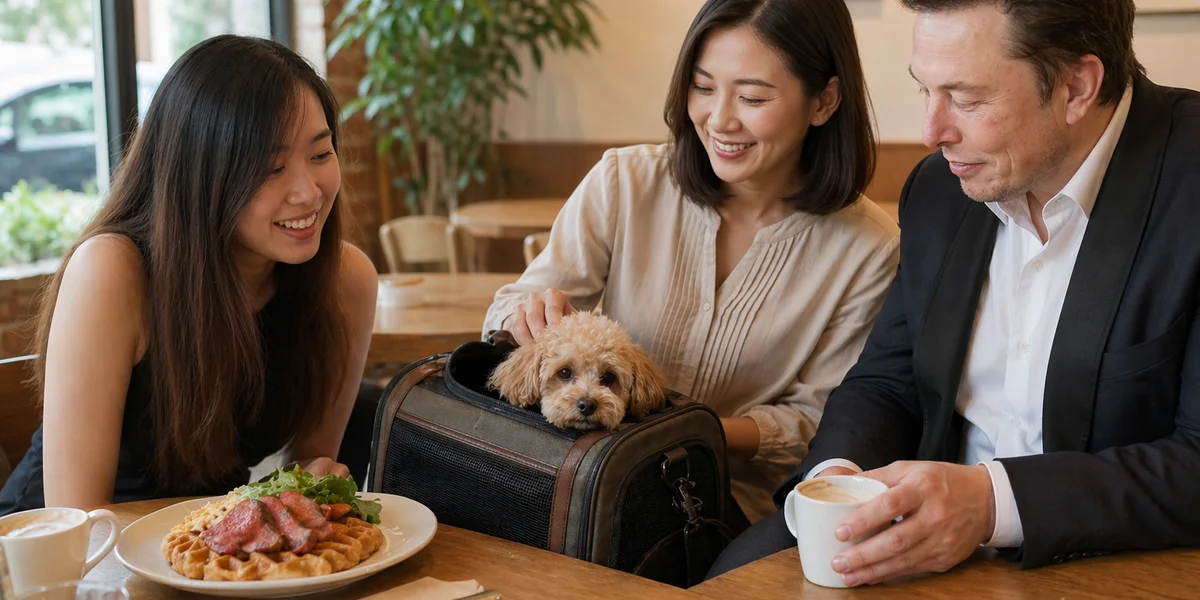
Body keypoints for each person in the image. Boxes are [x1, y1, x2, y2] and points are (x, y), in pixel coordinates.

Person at [710, 0, 1200, 585]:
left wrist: (992, 503)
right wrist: (839, 480)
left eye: (966, 100)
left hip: (1117, 557)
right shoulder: (941, 189)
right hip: (923, 540)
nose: (932, 132)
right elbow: (886, 382)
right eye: (926, 91)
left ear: (1076, 87)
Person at [483, 0, 899, 525]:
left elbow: (814, 422)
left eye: (751, 97)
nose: (719, 119)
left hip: (729, 507)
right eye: (703, 87)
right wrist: (526, 316)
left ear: (824, 100)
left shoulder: (868, 248)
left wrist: (676, 434)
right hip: (582, 481)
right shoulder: (625, 182)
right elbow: (510, 308)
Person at [0, 35, 379, 515]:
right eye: (271, 167)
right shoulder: (112, 272)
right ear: (199, 173)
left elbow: (309, 466)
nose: (308, 192)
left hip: (205, 546)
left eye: (321, 155)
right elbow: (76, 517)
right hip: (61, 549)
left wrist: (315, 484)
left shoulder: (345, 280)